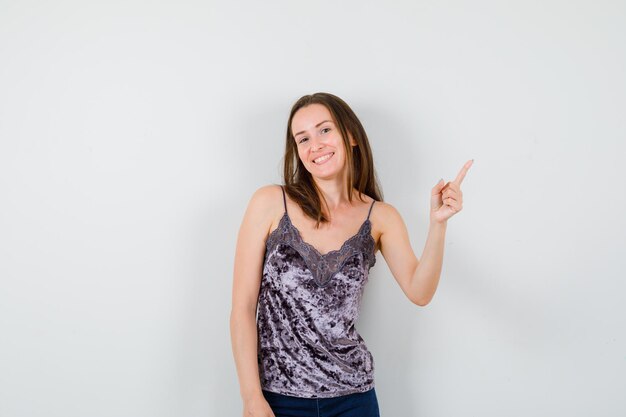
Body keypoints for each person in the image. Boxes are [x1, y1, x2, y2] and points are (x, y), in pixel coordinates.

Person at [230, 92, 473, 417]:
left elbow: (420, 291)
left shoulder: (381, 216)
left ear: (352, 136)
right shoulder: (271, 202)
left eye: (324, 130)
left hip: (353, 400)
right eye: (302, 138)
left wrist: (438, 224)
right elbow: (243, 308)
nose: (314, 145)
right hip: (277, 400)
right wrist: (251, 398)